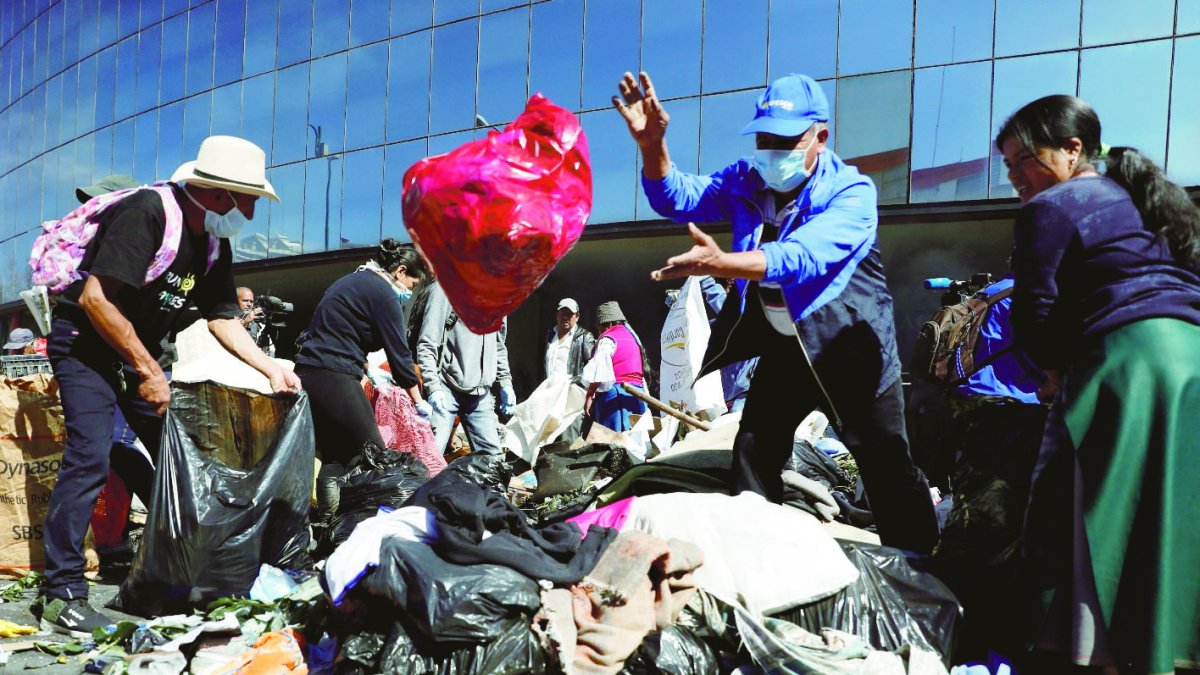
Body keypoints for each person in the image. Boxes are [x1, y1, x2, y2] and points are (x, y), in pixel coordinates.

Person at [616, 71, 938, 554]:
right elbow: (677, 197)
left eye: (786, 141)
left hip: (851, 351)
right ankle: (756, 554)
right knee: (754, 448)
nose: (772, 150)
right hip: (788, 349)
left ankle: (920, 564)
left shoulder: (852, 193)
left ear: (820, 138)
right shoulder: (747, 179)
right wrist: (652, 146)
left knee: (885, 463)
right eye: (765, 138)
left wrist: (723, 264)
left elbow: (802, 257)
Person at [32, 135, 300, 636]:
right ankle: (61, 591)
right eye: (248, 201)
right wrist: (150, 372)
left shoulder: (213, 243)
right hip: (86, 345)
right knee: (90, 455)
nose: (250, 212)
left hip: (137, 352)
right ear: (219, 193)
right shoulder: (148, 212)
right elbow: (96, 300)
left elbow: (223, 317)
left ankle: (170, 568)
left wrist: (269, 367)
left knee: (182, 458)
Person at [996, 95, 1200, 673]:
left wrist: (1054, 373)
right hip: (1191, 364)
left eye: (1022, 160)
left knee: (1086, 514)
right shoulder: (1148, 200)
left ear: (1071, 150)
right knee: (1172, 513)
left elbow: (1036, 313)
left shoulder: (1053, 206)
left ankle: (1098, 656)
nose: (1014, 177)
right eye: (1006, 165)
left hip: (1128, 364)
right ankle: (1170, 648)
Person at [295, 239, 429, 529]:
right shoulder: (382, 292)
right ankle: (381, 529)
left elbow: (337, 332)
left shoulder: (354, 281)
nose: (410, 292)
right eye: (412, 284)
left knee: (337, 456)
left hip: (311, 375)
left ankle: (330, 527)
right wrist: (418, 400)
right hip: (334, 375)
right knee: (375, 454)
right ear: (400, 270)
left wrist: (366, 367)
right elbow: (400, 354)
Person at [416, 283, 514, 456]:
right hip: (445, 388)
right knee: (430, 459)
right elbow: (427, 343)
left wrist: (506, 382)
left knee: (493, 461)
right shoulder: (446, 290)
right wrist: (433, 387)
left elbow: (498, 346)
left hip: (480, 394)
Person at [580, 301, 648, 433]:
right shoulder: (633, 339)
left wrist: (589, 395)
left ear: (609, 324)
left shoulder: (608, 340)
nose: (599, 333)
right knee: (634, 438)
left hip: (616, 398)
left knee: (613, 441)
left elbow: (599, 370)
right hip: (638, 395)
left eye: (600, 329)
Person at [543, 298, 595, 442]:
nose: (565, 317)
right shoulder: (550, 334)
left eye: (570, 314)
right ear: (556, 315)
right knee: (549, 437)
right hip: (550, 394)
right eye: (562, 313)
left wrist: (575, 382)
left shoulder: (584, 336)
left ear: (577, 317)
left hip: (571, 396)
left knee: (568, 437)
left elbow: (592, 368)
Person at [236, 286, 274, 356]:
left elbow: (271, 350)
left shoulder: (257, 324)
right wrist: (245, 321)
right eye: (245, 300)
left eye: (251, 301)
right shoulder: (226, 319)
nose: (249, 304)